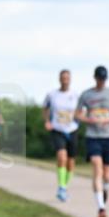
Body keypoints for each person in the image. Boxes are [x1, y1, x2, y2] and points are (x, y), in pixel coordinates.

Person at [75, 66, 109, 217]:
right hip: (93, 136)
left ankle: (105, 188)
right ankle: (101, 208)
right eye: (99, 79)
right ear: (95, 78)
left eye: (104, 79)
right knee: (96, 166)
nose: (101, 81)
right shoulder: (86, 94)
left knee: (107, 174)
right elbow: (77, 114)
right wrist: (88, 119)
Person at [43, 70, 80, 201]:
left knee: (71, 161)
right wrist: (47, 121)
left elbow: (81, 111)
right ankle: (61, 187)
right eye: (63, 78)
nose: (65, 80)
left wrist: (80, 117)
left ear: (70, 79)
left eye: (67, 78)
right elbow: (45, 108)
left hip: (72, 129)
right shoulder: (52, 95)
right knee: (61, 156)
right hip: (57, 129)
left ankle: (65, 185)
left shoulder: (75, 95)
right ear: (59, 79)